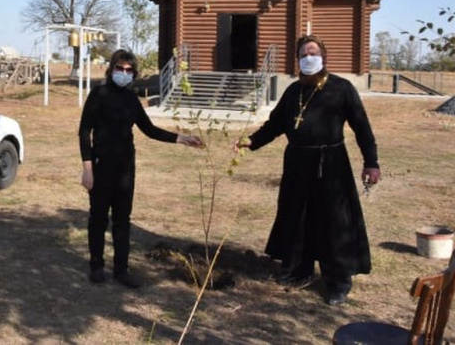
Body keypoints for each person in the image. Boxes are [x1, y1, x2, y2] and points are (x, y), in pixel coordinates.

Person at [235, 35, 381, 306]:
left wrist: (371, 162)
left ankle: (337, 281)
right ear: (298, 60)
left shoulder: (342, 88)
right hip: (298, 163)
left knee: (332, 221)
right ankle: (297, 270)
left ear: (323, 57)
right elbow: (275, 124)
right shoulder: (293, 91)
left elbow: (362, 127)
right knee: (297, 216)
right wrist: (252, 141)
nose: (308, 57)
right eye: (303, 54)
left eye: (313, 52)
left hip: (331, 163)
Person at [79, 49, 202, 288]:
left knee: (123, 219)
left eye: (128, 70)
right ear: (111, 68)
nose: (124, 73)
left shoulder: (131, 99)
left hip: (125, 168)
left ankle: (121, 270)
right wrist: (87, 169)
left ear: (133, 73)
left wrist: (181, 139)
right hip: (100, 165)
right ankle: (96, 266)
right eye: (119, 68)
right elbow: (84, 132)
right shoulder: (98, 94)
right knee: (98, 218)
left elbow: (149, 129)